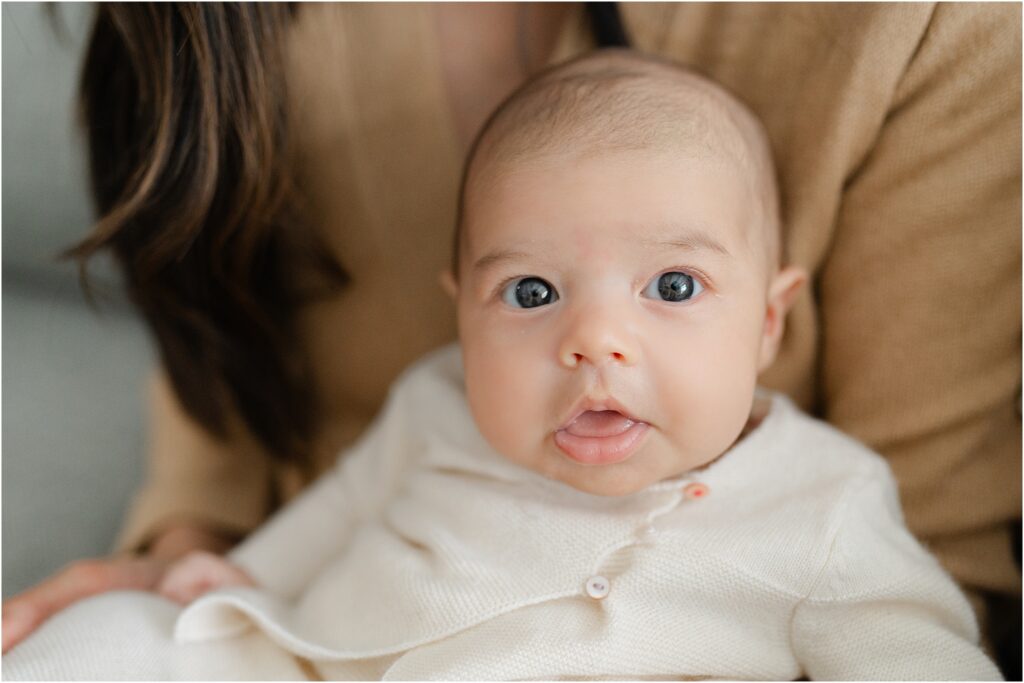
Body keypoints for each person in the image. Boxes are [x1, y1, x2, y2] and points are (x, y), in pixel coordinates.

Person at [3, 4, 1019, 672]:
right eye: (529, 291)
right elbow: (319, 511)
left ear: (769, 317)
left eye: (672, 285)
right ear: (462, 304)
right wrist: (199, 563)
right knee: (96, 645)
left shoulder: (824, 498)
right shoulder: (435, 401)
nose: (593, 341)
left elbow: (911, 641)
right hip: (326, 650)